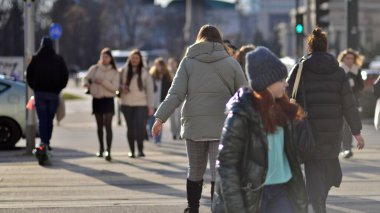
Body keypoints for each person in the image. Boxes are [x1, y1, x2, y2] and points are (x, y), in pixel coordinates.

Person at [151, 25, 247, 213]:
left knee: (194, 170)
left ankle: (192, 208)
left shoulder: (188, 62)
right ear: (219, 40)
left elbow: (175, 94)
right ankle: (216, 208)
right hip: (222, 125)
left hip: (194, 125)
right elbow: (243, 95)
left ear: (199, 38)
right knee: (217, 173)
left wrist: (160, 118)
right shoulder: (231, 63)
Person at [212, 46, 308, 213]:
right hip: (254, 193)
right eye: (281, 80)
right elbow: (227, 165)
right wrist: (236, 208)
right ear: (266, 83)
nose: (286, 84)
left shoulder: (284, 110)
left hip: (283, 191)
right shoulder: (241, 114)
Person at [287, 28, 365, 213]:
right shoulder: (337, 72)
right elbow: (349, 104)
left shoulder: (300, 68)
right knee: (328, 168)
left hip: (308, 129)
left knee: (314, 168)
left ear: (310, 47)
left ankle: (317, 202)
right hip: (332, 131)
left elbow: (287, 95)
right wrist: (357, 132)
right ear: (326, 47)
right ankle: (319, 202)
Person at [26, 36, 69, 151]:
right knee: (49, 119)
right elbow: (65, 76)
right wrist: (59, 88)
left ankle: (43, 142)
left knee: (42, 119)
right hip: (53, 94)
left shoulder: (36, 58)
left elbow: (28, 75)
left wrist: (34, 87)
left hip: (39, 93)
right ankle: (47, 141)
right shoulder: (58, 59)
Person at [84, 48, 119, 161]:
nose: (104, 59)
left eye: (107, 57)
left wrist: (102, 82)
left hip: (108, 100)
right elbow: (86, 79)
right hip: (97, 99)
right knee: (99, 126)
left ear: (110, 58)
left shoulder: (114, 72)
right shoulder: (94, 69)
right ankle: (101, 148)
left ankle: (108, 150)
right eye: (102, 56)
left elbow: (115, 88)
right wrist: (86, 84)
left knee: (108, 126)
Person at [119, 49, 154, 158]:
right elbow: (117, 84)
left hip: (141, 104)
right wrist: (121, 88)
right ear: (129, 59)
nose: (134, 60)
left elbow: (149, 90)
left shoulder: (145, 72)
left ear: (140, 60)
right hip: (126, 104)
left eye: (137, 58)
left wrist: (150, 106)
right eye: (132, 58)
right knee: (130, 128)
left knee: (140, 127)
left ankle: (140, 149)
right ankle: (132, 151)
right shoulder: (123, 71)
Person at [337, 48, 365, 159]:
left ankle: (347, 148)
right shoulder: (338, 70)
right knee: (341, 126)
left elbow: (361, 86)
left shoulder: (356, 71)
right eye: (347, 58)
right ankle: (342, 146)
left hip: (352, 102)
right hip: (339, 103)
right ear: (343, 59)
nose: (350, 60)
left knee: (348, 125)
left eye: (352, 58)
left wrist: (353, 85)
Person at [147, 57, 172, 145]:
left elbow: (170, 88)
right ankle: (150, 133)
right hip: (152, 101)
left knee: (159, 121)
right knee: (150, 120)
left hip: (162, 101)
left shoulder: (167, 76)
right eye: (157, 65)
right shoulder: (152, 75)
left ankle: (158, 140)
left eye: (160, 65)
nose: (159, 67)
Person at [167, 57, 181, 140]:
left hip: (180, 97)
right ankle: (174, 133)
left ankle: (180, 132)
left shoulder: (180, 71)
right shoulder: (166, 74)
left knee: (180, 115)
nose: (172, 64)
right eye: (170, 63)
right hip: (170, 98)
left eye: (173, 63)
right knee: (172, 117)